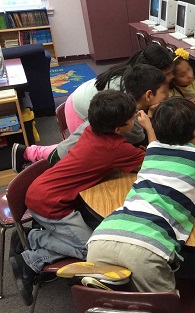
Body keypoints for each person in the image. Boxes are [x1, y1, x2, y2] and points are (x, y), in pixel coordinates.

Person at [9, 90, 150, 306]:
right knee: (92, 252)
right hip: (53, 206)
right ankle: (32, 252)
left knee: (92, 240)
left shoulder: (92, 129)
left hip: (43, 192)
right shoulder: (114, 147)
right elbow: (153, 160)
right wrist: (149, 127)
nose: (137, 118)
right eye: (133, 118)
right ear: (118, 128)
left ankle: (30, 237)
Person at [86, 97, 195, 293]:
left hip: (101, 236)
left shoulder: (152, 149)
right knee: (162, 305)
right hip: (149, 247)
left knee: (113, 301)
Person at [12, 64, 169, 171]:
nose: (167, 96)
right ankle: (28, 153)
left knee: (73, 148)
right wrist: (148, 126)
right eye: (164, 93)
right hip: (64, 169)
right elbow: (153, 161)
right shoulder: (119, 137)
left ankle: (28, 152)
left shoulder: (117, 103)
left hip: (62, 151)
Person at [67, 44, 174, 133]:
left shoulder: (134, 76)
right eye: (166, 74)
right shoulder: (124, 91)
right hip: (79, 112)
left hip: (84, 96)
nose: (171, 77)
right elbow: (135, 134)